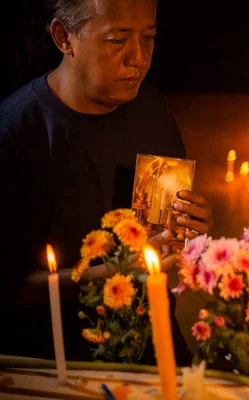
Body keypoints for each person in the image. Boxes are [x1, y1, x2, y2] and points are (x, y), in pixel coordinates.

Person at [0, 0, 212, 365]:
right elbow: (7, 288)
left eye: (150, 37)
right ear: (64, 38)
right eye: (117, 41)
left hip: (153, 347)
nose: (139, 58)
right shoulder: (16, 132)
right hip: (54, 363)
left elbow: (163, 233)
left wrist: (191, 226)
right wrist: (109, 274)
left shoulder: (151, 108)